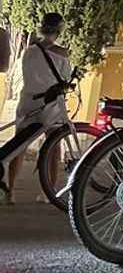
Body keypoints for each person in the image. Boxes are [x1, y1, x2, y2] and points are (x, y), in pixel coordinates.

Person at [1, 13, 71, 205]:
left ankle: (11, 191)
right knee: (54, 147)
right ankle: (48, 192)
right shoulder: (62, 54)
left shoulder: (29, 51)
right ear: (59, 31)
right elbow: (65, 78)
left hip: (29, 102)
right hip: (51, 105)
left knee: (19, 146)